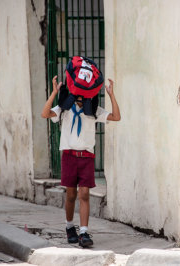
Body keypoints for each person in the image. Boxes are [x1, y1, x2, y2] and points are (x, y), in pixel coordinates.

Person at [41, 75, 121, 247]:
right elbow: (45, 113)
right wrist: (54, 93)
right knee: (71, 195)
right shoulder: (64, 108)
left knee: (84, 194)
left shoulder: (92, 109)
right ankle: (70, 227)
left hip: (86, 157)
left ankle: (84, 232)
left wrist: (111, 95)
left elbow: (116, 117)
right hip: (69, 156)